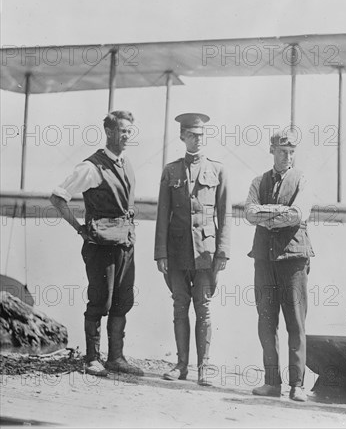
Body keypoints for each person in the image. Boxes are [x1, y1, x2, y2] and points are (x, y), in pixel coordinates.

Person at [50, 110, 143, 377]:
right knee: (99, 301)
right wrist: (79, 228)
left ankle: (116, 358)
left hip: (125, 242)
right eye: (122, 131)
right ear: (109, 132)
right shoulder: (91, 166)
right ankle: (92, 358)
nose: (126, 136)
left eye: (129, 131)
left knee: (122, 300)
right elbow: (58, 197)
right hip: (100, 245)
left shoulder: (126, 163)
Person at [154, 113, 231, 385]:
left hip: (205, 254)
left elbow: (225, 215)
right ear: (182, 136)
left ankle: (205, 367)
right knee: (179, 307)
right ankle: (181, 365)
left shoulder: (218, 170)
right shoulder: (170, 170)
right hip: (176, 253)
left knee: (204, 308)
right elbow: (163, 215)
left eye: (201, 134)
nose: (197, 139)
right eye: (192, 135)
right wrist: (160, 254)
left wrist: (222, 252)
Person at [244, 129, 314, 402]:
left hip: (294, 260)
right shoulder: (258, 181)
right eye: (283, 150)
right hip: (263, 259)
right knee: (266, 320)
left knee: (295, 323)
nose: (288, 156)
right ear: (272, 150)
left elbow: (299, 214)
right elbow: (249, 212)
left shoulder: (302, 180)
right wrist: (279, 213)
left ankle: (297, 385)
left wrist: (268, 212)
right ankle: (272, 383)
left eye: (292, 151)